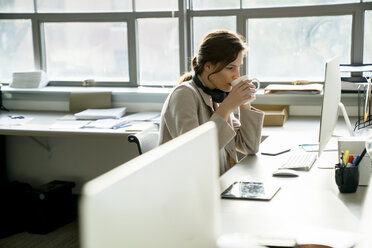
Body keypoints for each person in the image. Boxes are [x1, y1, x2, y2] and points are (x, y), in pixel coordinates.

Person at [159, 30, 264, 175]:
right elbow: (195, 154)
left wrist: (245, 102)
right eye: (230, 68)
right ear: (208, 66)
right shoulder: (183, 95)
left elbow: (249, 146)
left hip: (221, 182)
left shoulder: (217, 95)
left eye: (238, 68)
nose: (237, 75)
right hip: (189, 189)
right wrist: (228, 107)